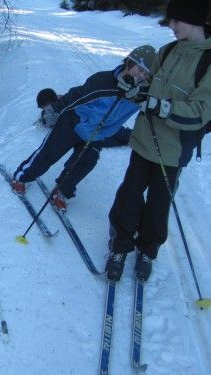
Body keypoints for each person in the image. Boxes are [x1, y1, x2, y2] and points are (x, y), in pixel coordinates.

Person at [106, 0, 211, 282]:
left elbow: (201, 112)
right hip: (144, 140)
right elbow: (146, 86)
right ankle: (120, 246)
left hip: (174, 150)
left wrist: (161, 107)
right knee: (129, 194)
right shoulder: (167, 50)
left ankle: (147, 250)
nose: (171, 26)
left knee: (159, 203)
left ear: (193, 18)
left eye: (176, 20)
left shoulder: (207, 61)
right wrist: (132, 88)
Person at [11, 45, 157, 211]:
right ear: (129, 63)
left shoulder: (141, 95)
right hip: (73, 122)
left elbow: (155, 106)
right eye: (140, 69)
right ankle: (22, 177)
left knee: (86, 161)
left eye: (146, 75)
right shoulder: (103, 81)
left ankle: (62, 191)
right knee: (49, 153)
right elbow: (76, 96)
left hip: (97, 133)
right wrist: (54, 109)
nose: (141, 76)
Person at [35, 88, 133, 210]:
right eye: (44, 108)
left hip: (93, 128)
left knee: (121, 135)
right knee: (108, 142)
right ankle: (61, 190)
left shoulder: (68, 101)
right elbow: (46, 119)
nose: (45, 110)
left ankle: (138, 138)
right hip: (83, 136)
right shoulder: (50, 113)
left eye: (46, 106)